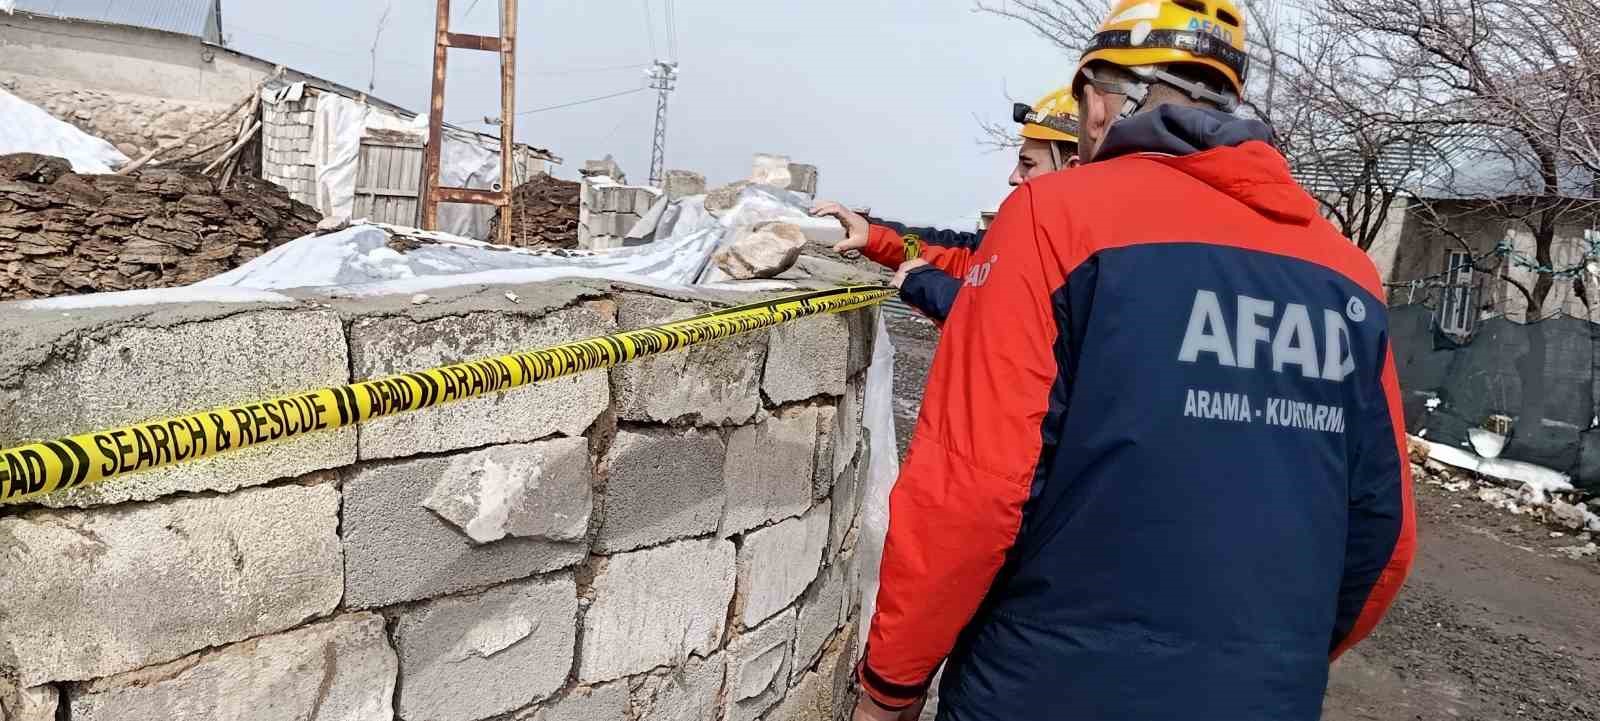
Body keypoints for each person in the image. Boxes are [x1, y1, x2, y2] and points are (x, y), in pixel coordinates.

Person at [851, 0, 1416, 719]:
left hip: (1044, 689)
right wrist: (1268, 661)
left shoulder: (1053, 219)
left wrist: (891, 683)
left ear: (1099, 101)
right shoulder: (1349, 276)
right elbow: (1384, 533)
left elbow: (971, 491)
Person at [811, 88, 1081, 323]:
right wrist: (871, 234)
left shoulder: (1077, 262)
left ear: (1072, 169)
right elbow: (957, 254)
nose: (1013, 178)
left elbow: (1009, 324)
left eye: (1028, 164)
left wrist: (926, 284)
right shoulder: (1025, 239)